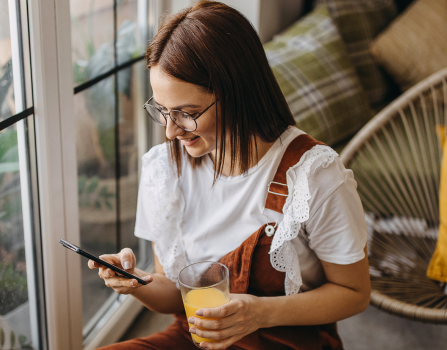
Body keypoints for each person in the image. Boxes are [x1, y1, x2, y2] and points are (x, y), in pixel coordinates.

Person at [90, 1, 370, 349]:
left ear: (238, 93)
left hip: (285, 341)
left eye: (186, 113)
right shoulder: (163, 170)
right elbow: (177, 297)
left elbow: (355, 294)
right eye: (162, 111)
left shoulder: (313, 175)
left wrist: (260, 313)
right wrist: (135, 282)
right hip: (198, 339)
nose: (170, 132)